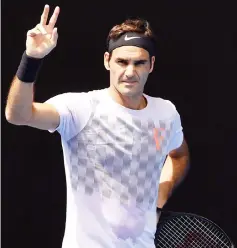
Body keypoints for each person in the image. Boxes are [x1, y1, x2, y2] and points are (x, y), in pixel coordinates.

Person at [5, 4, 190, 248]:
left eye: (139, 63)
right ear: (107, 61)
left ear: (151, 65)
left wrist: (160, 194)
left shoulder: (165, 114)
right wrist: (32, 59)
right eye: (122, 62)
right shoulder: (81, 109)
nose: (130, 72)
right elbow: (18, 115)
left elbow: (179, 154)